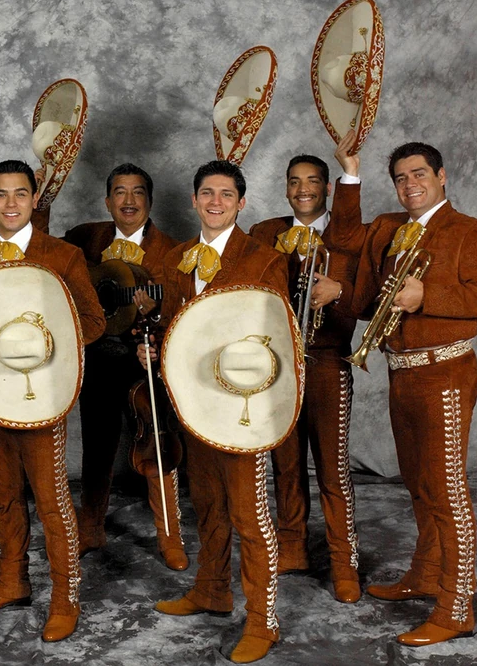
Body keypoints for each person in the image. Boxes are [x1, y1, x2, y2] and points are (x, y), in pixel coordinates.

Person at [346, 141, 477, 646]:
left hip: (446, 373)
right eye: (400, 177)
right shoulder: (393, 229)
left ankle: (457, 607)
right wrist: (349, 174)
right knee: (418, 484)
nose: (410, 184)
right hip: (403, 373)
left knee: (447, 493)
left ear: (441, 176)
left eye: (419, 174)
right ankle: (425, 573)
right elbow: (347, 238)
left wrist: (427, 296)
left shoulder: (468, 230)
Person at [141, 160, 287, 663]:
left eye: (227, 194)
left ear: (242, 203)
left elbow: (278, 340)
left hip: (243, 406)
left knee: (250, 515)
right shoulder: (178, 258)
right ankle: (211, 590)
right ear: (194, 200)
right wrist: (153, 347)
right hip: (191, 401)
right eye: (207, 193)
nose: (216, 202)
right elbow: (169, 326)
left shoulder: (265, 259)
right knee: (207, 504)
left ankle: (264, 622)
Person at [0, 160, 105, 642]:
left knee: (51, 501)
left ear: (35, 198)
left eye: (20, 193)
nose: (11, 203)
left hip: (41, 394)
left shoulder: (61, 255)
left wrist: (45, 339)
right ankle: (11, 581)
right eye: (1, 195)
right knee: (2, 496)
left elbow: (95, 322)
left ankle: (65, 599)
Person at [247, 132, 364, 602]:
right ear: (285, 188)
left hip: (327, 361)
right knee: (285, 462)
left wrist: (336, 292)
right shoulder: (264, 232)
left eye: (313, 181)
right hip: (278, 364)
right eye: (294, 182)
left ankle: (344, 561)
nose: (303, 189)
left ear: (328, 188)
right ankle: (291, 545)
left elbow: (365, 296)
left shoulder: (348, 234)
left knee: (333, 468)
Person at [62, 162, 187, 569]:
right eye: (120, 192)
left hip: (143, 357)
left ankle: (169, 534)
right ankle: (91, 527)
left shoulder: (173, 250)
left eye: (137, 193)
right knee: (97, 445)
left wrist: (161, 313)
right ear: (107, 201)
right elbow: (49, 261)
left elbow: (185, 308)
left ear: (150, 201)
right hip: (98, 355)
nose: (129, 201)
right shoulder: (85, 238)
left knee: (156, 441)